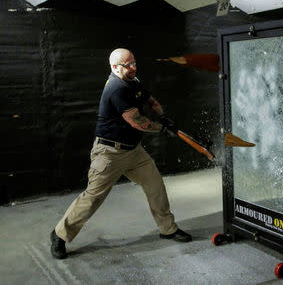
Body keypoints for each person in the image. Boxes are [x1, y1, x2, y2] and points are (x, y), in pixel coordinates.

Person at [50, 48, 191, 259]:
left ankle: (168, 229)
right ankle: (59, 235)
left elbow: (150, 100)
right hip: (109, 153)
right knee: (93, 198)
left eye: (134, 63)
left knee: (156, 186)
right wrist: (161, 128)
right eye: (128, 65)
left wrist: (164, 116)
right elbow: (137, 121)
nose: (133, 67)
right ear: (115, 67)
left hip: (134, 151)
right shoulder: (116, 89)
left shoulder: (133, 81)